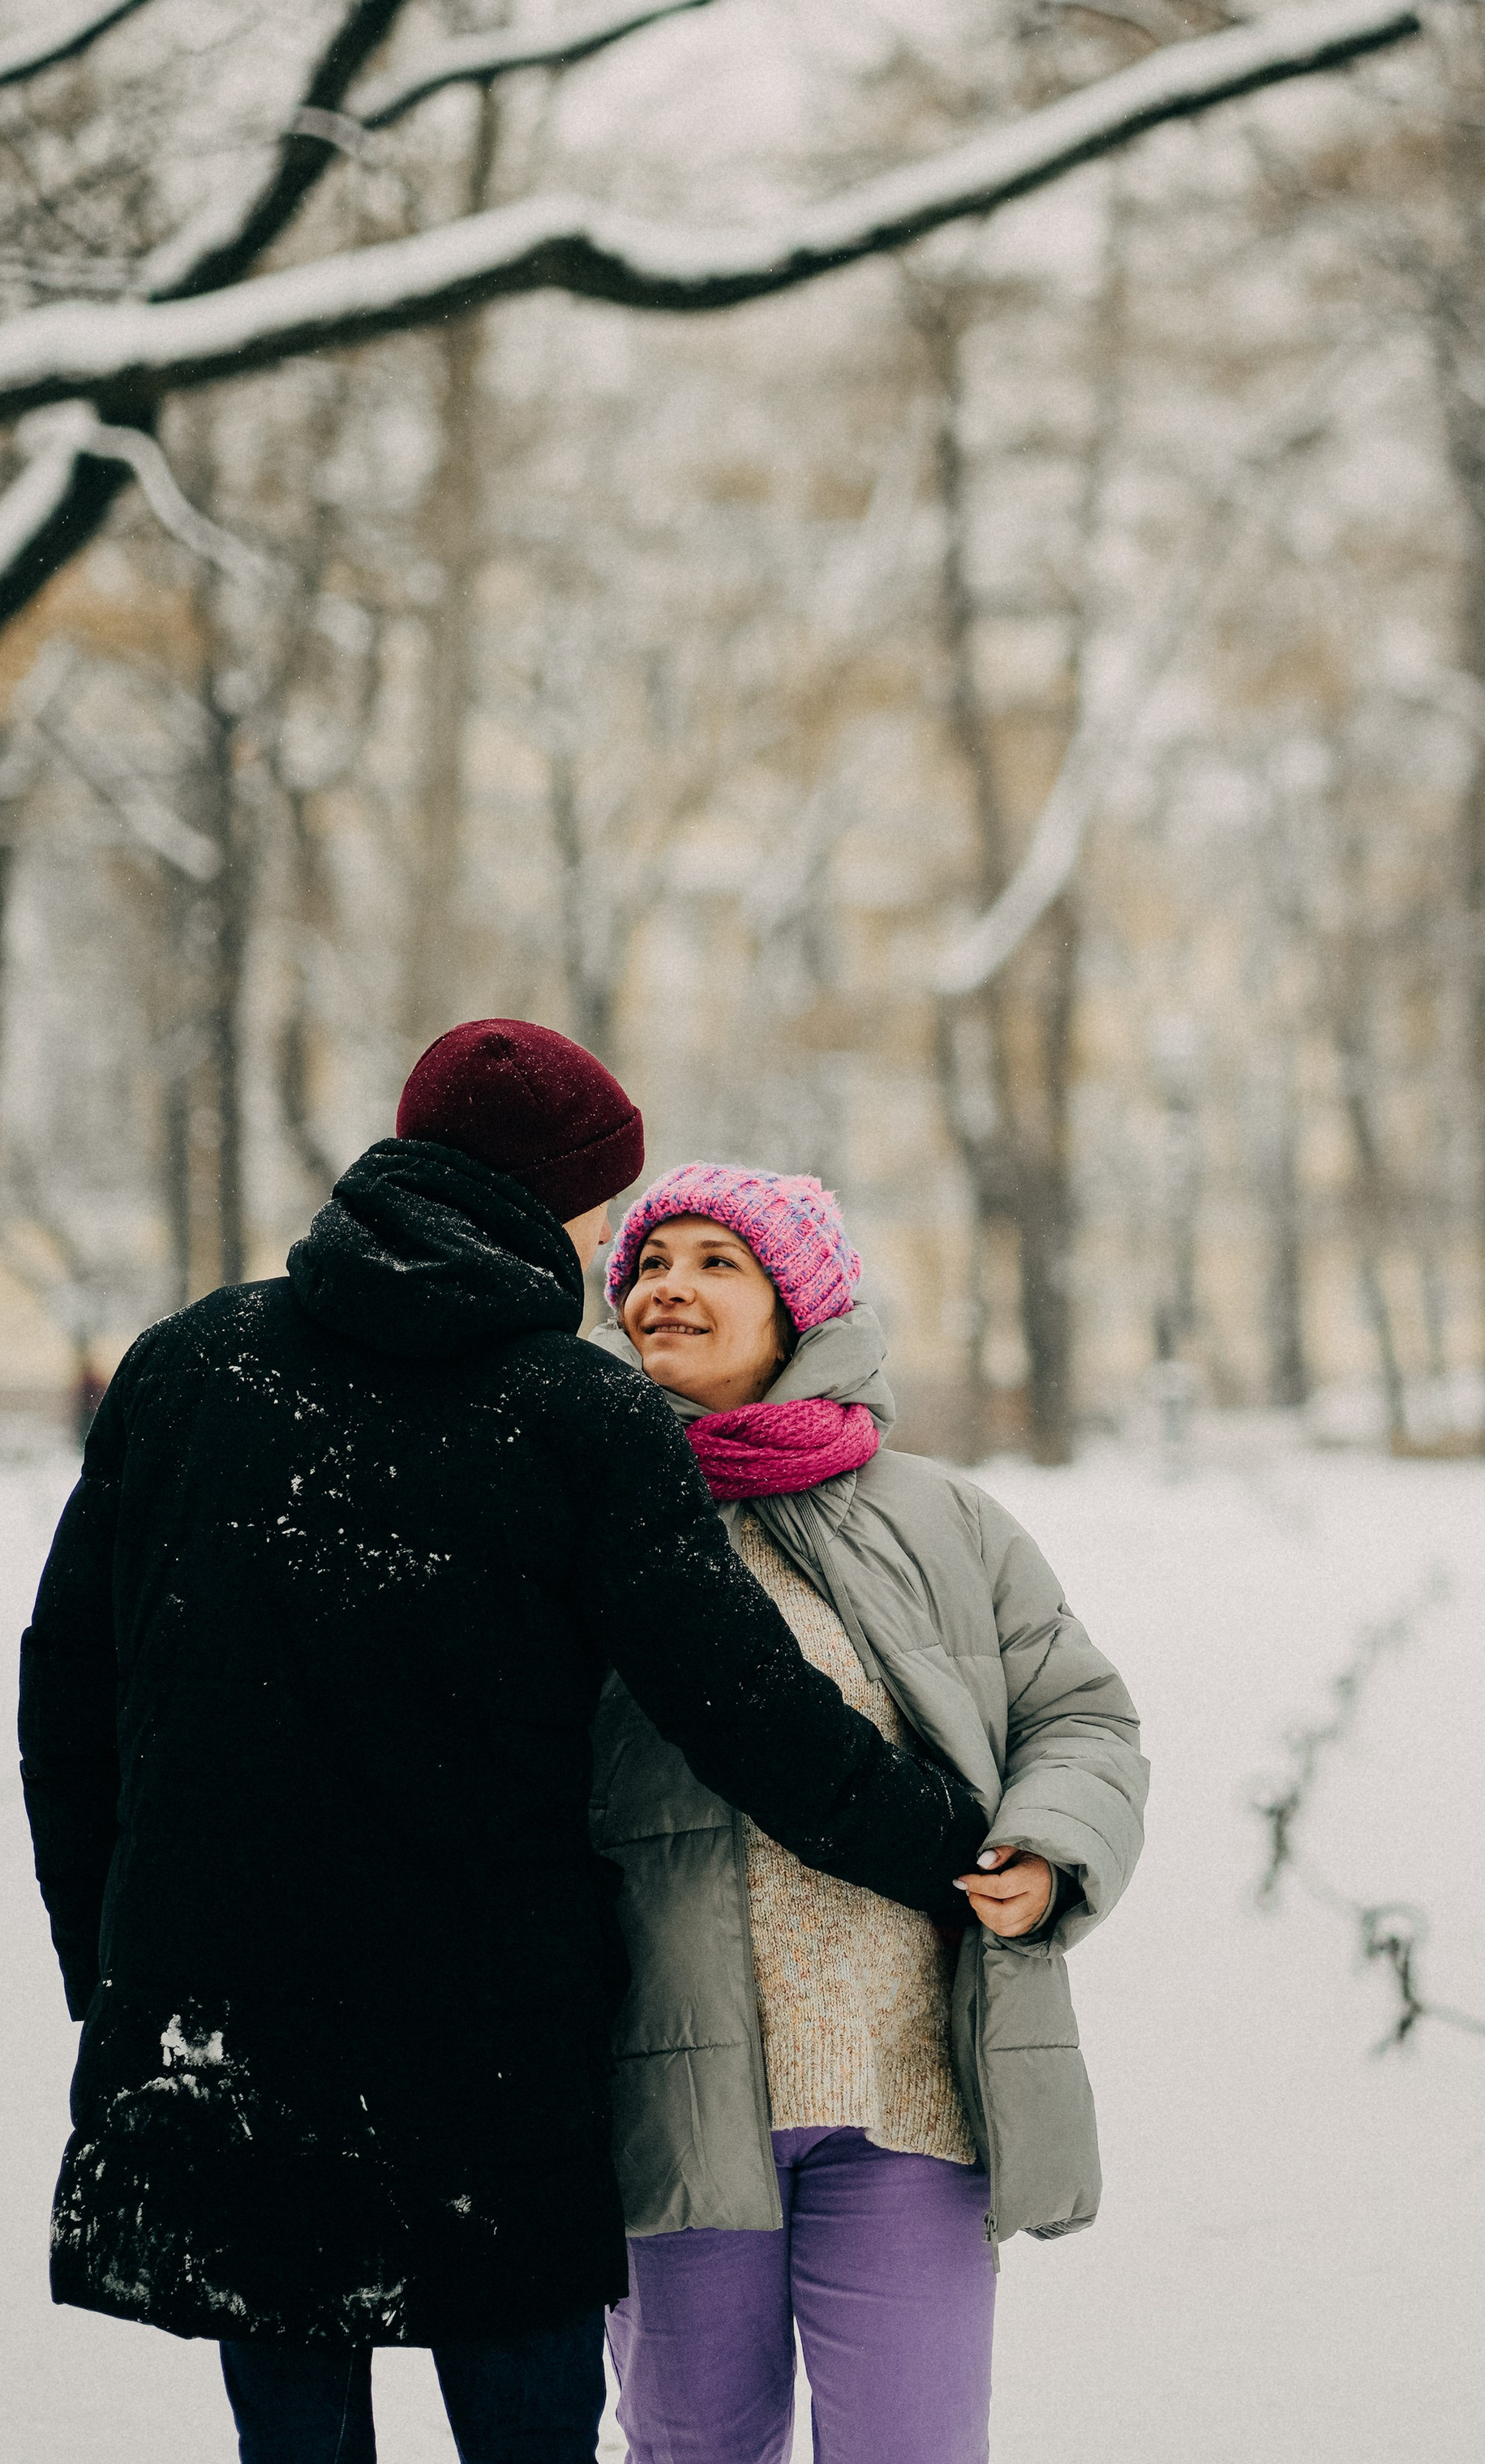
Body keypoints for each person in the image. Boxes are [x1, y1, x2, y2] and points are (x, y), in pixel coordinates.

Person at [18, 1023, 992, 2464]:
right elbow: (746, 1709)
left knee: (292, 2437)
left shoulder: (185, 1367)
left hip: (220, 2029)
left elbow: (64, 1703)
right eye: (608, 1199)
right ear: (555, 1198)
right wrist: (950, 1839)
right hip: (492, 2055)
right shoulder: (577, 1409)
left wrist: (112, 1967)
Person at [590, 1162, 1148, 2464]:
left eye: (716, 1260)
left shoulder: (941, 1518)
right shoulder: (578, 1516)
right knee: (692, 2452)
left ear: (800, 1306)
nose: (671, 1282)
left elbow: (1081, 1716)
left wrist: (1052, 1849)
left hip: (910, 2094)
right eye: (648, 1262)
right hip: (669, 2093)